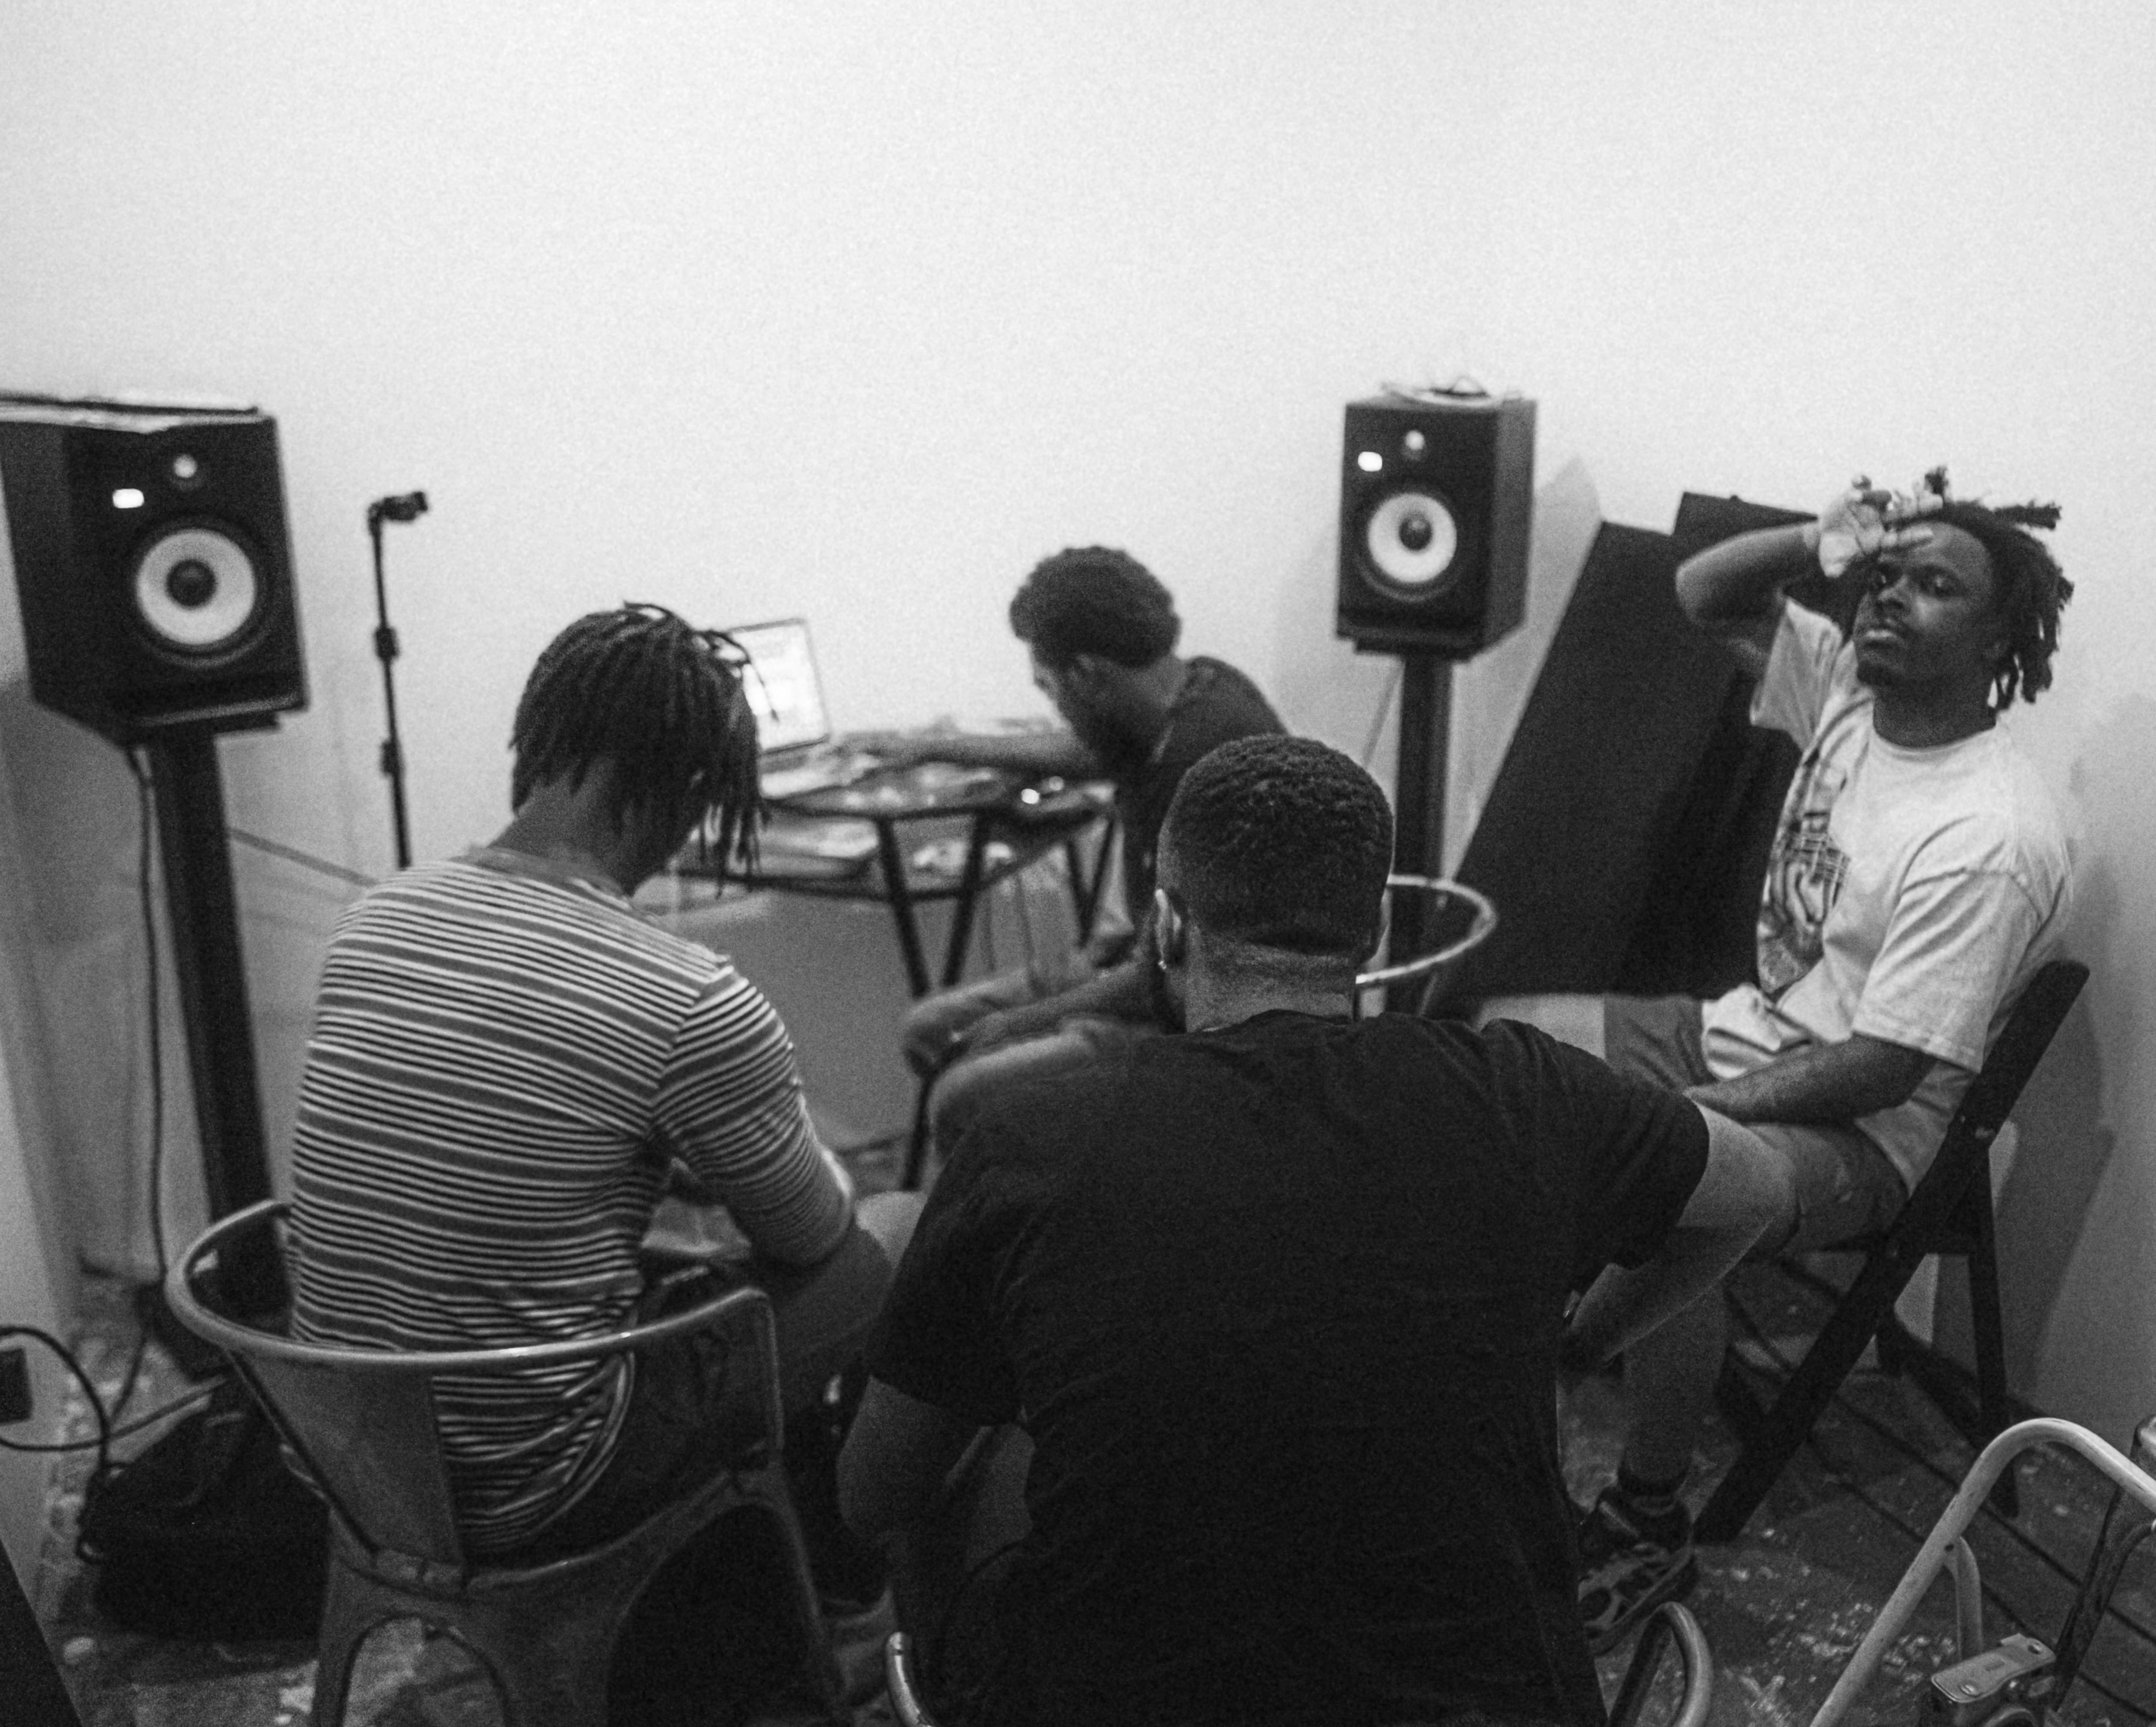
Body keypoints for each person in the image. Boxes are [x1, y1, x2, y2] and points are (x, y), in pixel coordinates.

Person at [839, 736, 1720, 1727]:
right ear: (1377, 932)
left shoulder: (1031, 1142)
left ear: (1168, 926)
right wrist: (1587, 1339)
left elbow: (873, 1495)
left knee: (990, 1462)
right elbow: (1760, 1193)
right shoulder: (1530, 1090)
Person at [1481, 470, 2076, 1649]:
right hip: (1747, 1034)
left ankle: (1643, 1514)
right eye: (1887, 577)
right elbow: (1698, 592)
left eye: (1937, 585)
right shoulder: (1853, 693)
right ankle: (1543, 1346)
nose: (1892, 598)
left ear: (2001, 635)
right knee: (1500, 1048)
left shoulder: (1989, 832)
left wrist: (1679, 1115)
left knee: (1675, 1181)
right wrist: (1820, 536)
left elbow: (1887, 1066)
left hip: (1868, 1130)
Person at [289, 604, 908, 1589]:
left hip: (352, 1462)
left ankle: (765, 1566)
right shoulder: (685, 997)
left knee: (689, 1257)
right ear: (692, 791)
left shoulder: (375, 921)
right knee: (894, 1235)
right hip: (535, 1483)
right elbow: (812, 1238)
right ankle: (852, 1582)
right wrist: (805, 1164)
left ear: (538, 739)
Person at [865, 546, 1281, 1138]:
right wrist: (940, 745)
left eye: (1050, 687)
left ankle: (1017, 1225)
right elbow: (1087, 752)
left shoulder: (1192, 768)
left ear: (1087, 676)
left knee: (963, 1096)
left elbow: (1159, 977)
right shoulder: (1199, 686)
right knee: (929, 1028)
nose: (1054, 706)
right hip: (1134, 967)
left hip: (1187, 1018)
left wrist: (1023, 1022)